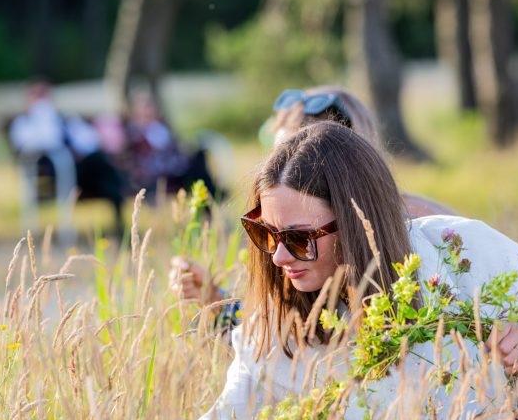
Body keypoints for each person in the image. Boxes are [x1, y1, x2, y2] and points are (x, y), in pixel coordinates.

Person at [24, 121, 518, 420]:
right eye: (262, 233)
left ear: (360, 226)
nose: (279, 256)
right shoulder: (269, 330)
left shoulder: (462, 254)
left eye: (301, 238)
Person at [169, 86, 454, 315]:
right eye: (279, 154)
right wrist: (214, 299)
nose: (286, 169)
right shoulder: (289, 234)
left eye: (304, 158)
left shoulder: (421, 226)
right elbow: (273, 337)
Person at [8, 80, 126, 238]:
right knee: (105, 171)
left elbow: (89, 141)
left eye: (45, 95)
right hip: (50, 174)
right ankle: (121, 189)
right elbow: (37, 144)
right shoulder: (24, 123)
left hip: (76, 171)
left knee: (100, 162)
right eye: (38, 96)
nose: (42, 101)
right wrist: (45, 119)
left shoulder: (65, 119)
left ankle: (119, 213)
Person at [125, 92, 222, 199]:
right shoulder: (137, 132)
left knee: (199, 157)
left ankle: (210, 193)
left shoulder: (160, 126)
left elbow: (174, 148)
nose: (149, 110)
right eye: (145, 108)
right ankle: (212, 195)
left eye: (150, 107)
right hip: (160, 172)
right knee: (196, 168)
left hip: (174, 166)